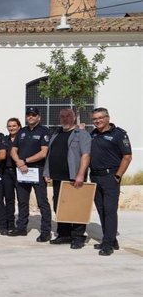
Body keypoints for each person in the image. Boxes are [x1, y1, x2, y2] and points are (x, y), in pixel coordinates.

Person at [44, 108, 91, 249]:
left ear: (74, 117)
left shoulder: (82, 134)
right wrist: (47, 172)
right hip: (58, 178)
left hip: (74, 178)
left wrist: (81, 174)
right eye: (62, 116)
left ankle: (78, 237)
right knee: (60, 206)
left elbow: (86, 155)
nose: (65, 119)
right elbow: (50, 154)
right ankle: (64, 234)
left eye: (68, 116)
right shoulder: (56, 133)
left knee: (76, 207)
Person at [89, 107, 132, 256]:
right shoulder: (93, 134)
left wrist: (118, 176)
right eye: (95, 119)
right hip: (94, 177)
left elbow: (127, 157)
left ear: (108, 118)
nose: (98, 121)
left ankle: (108, 245)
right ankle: (110, 239)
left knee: (110, 210)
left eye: (100, 118)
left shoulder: (119, 134)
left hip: (110, 177)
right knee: (101, 210)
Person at [9, 106, 52, 241]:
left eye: (33, 115)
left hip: (37, 170)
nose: (31, 117)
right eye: (28, 115)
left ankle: (45, 231)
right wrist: (19, 162)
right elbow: (13, 151)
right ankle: (21, 227)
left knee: (42, 202)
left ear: (39, 117)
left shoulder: (44, 131)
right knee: (22, 201)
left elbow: (43, 152)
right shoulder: (21, 132)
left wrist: (25, 161)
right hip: (22, 170)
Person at [2, 118, 22, 232]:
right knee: (9, 199)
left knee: (21, 199)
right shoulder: (4, 139)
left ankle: (21, 224)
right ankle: (10, 223)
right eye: (9, 126)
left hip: (19, 171)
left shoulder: (23, 138)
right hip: (7, 172)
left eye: (14, 126)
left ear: (19, 126)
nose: (11, 128)